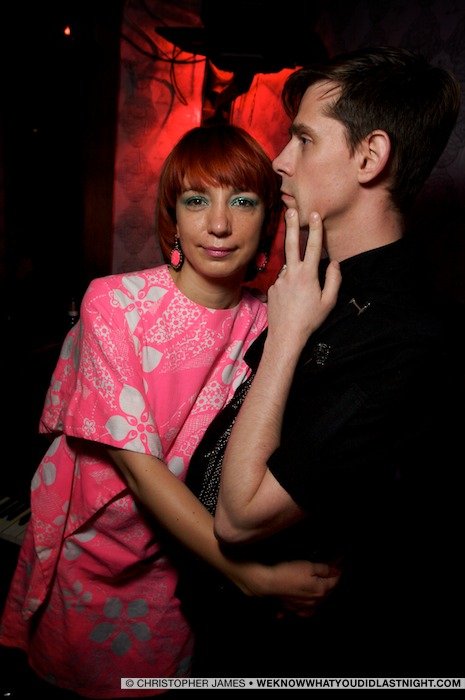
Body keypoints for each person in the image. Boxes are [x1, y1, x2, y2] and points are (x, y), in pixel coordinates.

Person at [0, 124, 341, 699]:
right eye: (196, 200)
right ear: (173, 219)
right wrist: (250, 578)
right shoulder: (113, 303)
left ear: (268, 221)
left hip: (184, 569)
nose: (219, 224)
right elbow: (138, 468)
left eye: (242, 201)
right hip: (92, 555)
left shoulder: (269, 324)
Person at [182, 46, 463, 678]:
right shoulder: (317, 278)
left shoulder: (405, 336)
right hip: (215, 621)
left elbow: (240, 516)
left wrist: (284, 337)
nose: (279, 160)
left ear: (369, 157)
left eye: (304, 140)